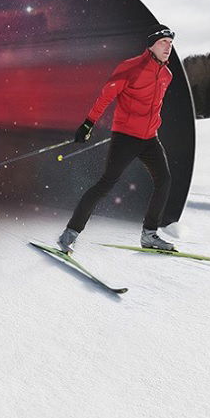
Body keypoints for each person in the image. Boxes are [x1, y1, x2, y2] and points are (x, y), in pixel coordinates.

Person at [57, 24, 177, 254]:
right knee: (105, 185)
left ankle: (149, 235)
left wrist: (153, 127)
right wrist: (88, 123)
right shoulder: (130, 67)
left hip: (150, 138)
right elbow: (106, 95)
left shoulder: (167, 75)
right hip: (126, 137)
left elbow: (154, 107)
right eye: (163, 42)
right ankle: (69, 234)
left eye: (170, 44)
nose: (168, 47)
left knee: (165, 180)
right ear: (151, 44)